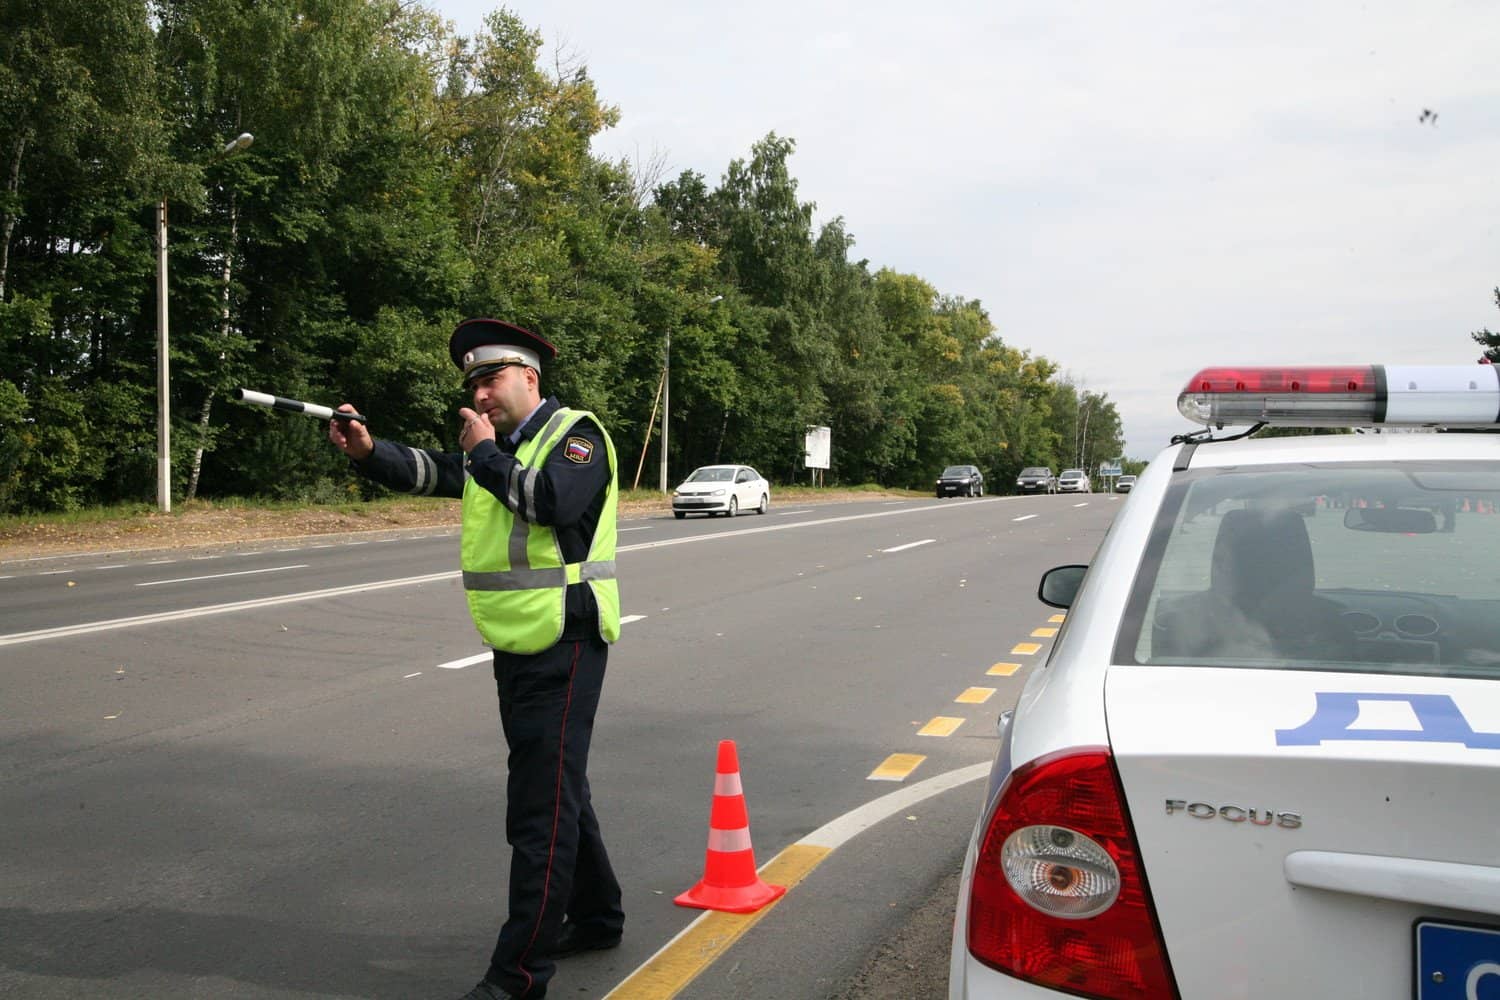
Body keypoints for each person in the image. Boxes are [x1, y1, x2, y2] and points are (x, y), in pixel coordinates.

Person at [327, 318, 625, 1000]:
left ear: (530, 376)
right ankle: (600, 915)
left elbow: (549, 502)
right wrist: (369, 451)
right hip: (517, 643)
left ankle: (517, 977)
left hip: (565, 642)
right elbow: (437, 471)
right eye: (474, 386)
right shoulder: (501, 449)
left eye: (490, 380)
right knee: (560, 790)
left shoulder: (577, 436)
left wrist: (487, 454)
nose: (481, 396)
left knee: (537, 812)